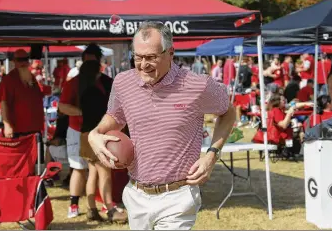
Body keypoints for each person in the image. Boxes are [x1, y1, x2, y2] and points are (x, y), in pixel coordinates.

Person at [88, 21, 236, 230]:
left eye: (151, 57)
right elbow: (115, 117)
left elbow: (229, 112)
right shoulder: (123, 82)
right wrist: (95, 134)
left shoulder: (198, 84)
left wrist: (211, 155)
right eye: (138, 57)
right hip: (136, 195)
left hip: (178, 197)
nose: (143, 64)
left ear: (171, 53)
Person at [78, 59, 127, 223]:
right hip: (95, 135)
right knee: (105, 173)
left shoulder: (84, 89)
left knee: (92, 173)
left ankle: (91, 208)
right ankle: (110, 209)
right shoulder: (95, 92)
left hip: (85, 134)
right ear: (97, 73)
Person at [59, 44, 102, 218]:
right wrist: (83, 112)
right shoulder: (73, 83)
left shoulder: (104, 82)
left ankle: (98, 204)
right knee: (78, 168)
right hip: (77, 130)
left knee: (97, 169)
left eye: (93, 61)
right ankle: (74, 205)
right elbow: (62, 106)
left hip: (97, 131)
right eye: (88, 61)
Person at [0, 49, 45, 158]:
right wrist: (7, 124)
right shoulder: (8, 79)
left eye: (25, 59)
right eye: (20, 60)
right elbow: (3, 103)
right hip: (18, 129)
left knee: (36, 161)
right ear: (14, 61)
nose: (23, 63)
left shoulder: (32, 78)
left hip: (35, 128)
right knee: (20, 161)